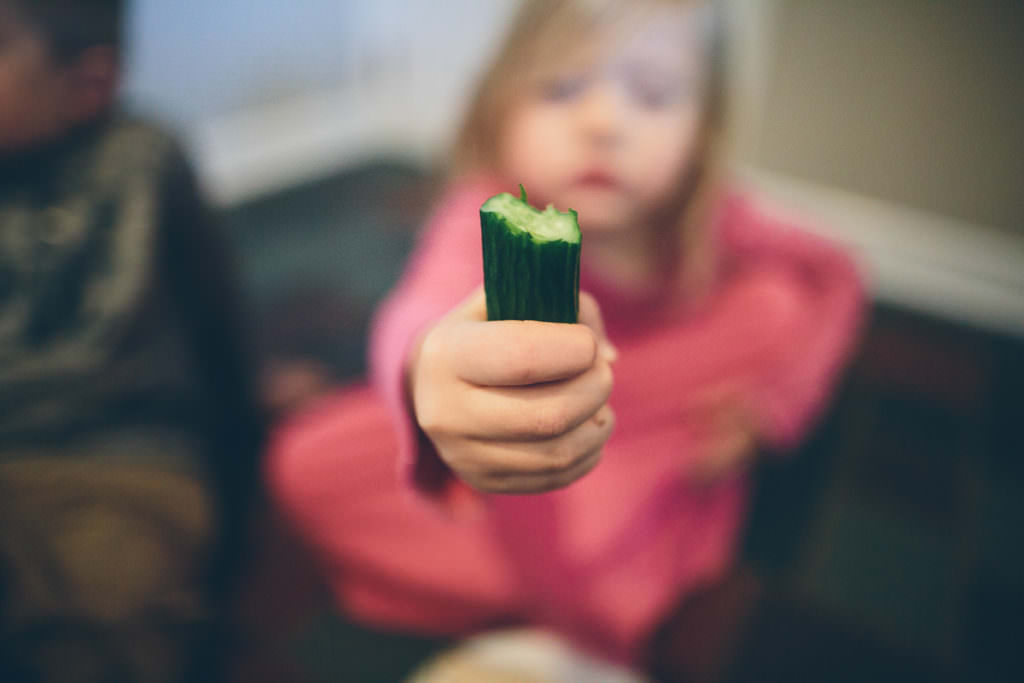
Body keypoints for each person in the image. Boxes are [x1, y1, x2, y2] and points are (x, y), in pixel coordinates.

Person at [269, 0, 864, 676]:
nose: (604, 123)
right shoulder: (487, 212)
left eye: (654, 93)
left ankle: (585, 584)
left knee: (775, 306)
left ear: (704, 127)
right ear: (501, 104)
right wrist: (428, 370)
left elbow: (838, 271)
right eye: (562, 88)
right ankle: (565, 582)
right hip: (512, 448)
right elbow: (419, 312)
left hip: (645, 435)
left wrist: (777, 407)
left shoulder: (713, 219)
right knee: (304, 463)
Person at [0, 1, 264, 681]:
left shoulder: (140, 155)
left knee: (103, 595)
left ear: (87, 84)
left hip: (119, 459)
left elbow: (222, 336)